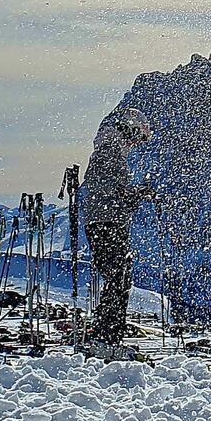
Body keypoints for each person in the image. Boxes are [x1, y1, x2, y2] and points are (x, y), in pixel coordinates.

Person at [79, 107, 153, 353]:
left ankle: (107, 331)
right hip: (107, 222)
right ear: (130, 132)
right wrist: (136, 194)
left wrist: (130, 195)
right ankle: (108, 336)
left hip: (103, 220)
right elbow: (109, 191)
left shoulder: (108, 150)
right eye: (138, 138)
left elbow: (107, 189)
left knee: (116, 275)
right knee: (119, 276)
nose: (136, 145)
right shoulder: (110, 152)